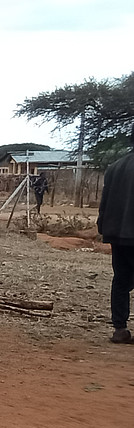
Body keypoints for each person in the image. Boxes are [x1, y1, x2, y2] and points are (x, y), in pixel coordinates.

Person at [98, 128, 134, 344]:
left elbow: (104, 201)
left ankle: (119, 328)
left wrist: (103, 226)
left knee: (121, 279)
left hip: (117, 232)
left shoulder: (115, 167)